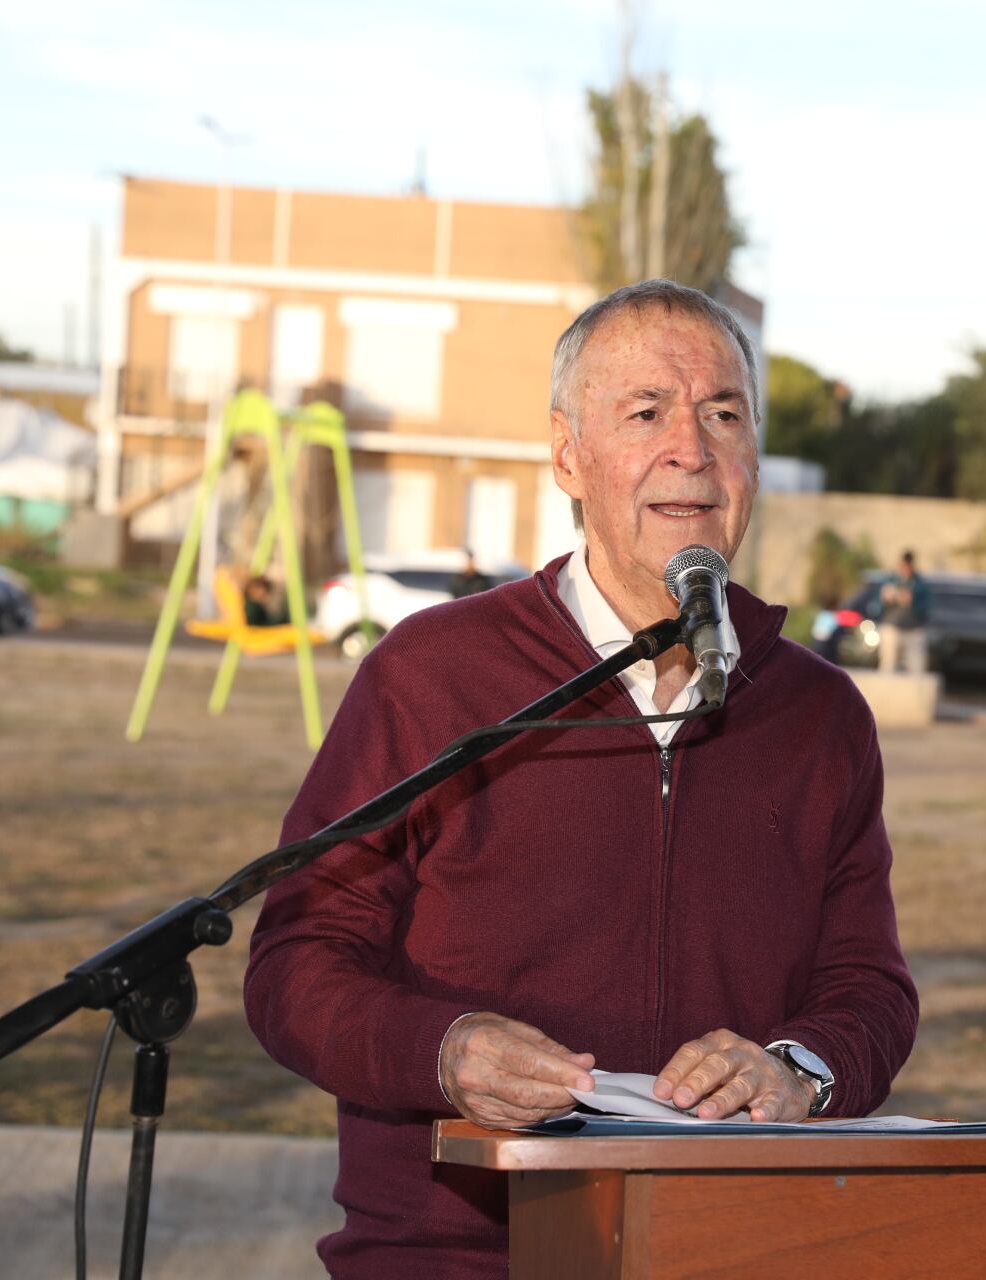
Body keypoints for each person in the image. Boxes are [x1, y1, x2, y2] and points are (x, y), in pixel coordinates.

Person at [242, 279, 919, 1279]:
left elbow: (868, 987)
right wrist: (444, 1049)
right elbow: (297, 962)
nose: (692, 447)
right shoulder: (435, 674)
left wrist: (798, 1071)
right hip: (458, 1253)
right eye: (646, 412)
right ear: (568, 453)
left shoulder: (818, 714)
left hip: (733, 1249)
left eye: (723, 413)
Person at [876, 549, 931, 676]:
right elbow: (876, 605)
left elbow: (926, 609)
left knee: (916, 666)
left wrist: (912, 601)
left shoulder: (920, 584)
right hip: (892, 626)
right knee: (888, 663)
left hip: (913, 629)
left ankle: (915, 693)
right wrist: (886, 598)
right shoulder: (891, 580)